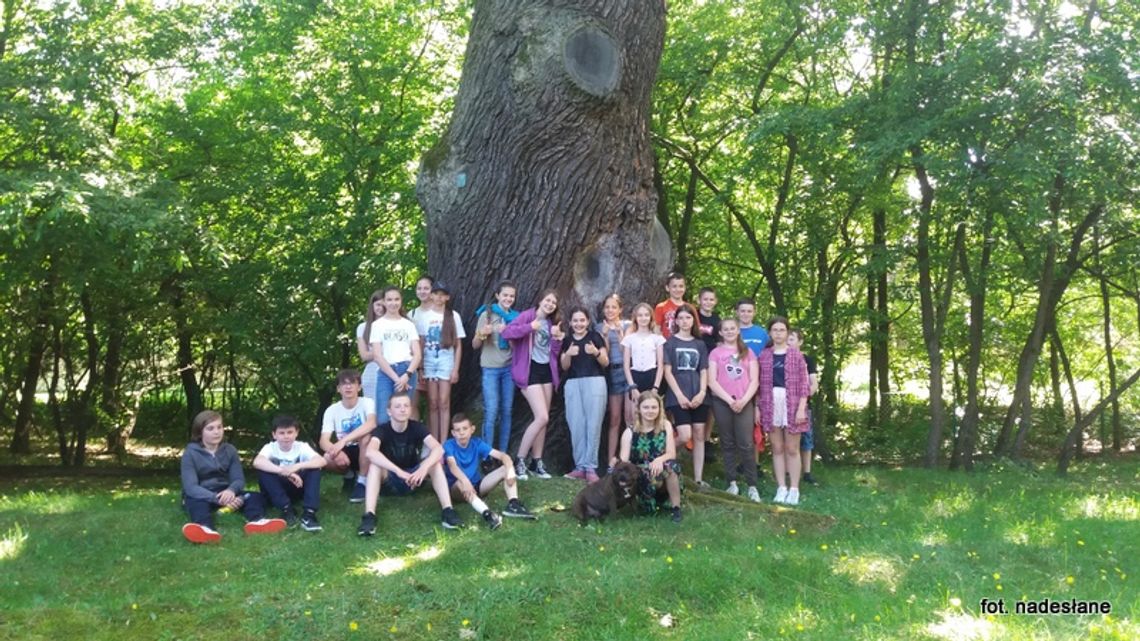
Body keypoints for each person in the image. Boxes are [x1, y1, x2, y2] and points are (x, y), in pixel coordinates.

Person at [357, 394, 462, 536]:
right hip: (391, 480)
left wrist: (423, 468)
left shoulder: (417, 427)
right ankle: (369, 516)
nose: (402, 410)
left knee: (435, 464)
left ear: (410, 409)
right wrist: (398, 471)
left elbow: (438, 449)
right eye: (398, 406)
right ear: (389, 411)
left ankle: (448, 511)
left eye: (406, 406)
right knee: (375, 466)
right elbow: (370, 452)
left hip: (414, 478)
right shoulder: (382, 430)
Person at [180, 410, 286, 544]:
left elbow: (239, 479)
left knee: (254, 496)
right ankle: (205, 529)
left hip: (226, 491)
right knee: (195, 502)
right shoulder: (190, 453)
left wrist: (231, 492)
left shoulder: (230, 450)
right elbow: (191, 487)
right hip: (203, 493)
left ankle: (257, 521)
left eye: (219, 427)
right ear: (200, 432)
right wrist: (216, 499)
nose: (217, 432)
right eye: (210, 428)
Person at [500, 289, 564, 480]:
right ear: (541, 300)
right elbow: (507, 333)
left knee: (543, 421)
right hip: (529, 371)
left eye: (553, 302)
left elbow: (553, 353)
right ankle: (519, 460)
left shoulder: (552, 323)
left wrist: (557, 339)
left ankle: (537, 462)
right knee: (542, 417)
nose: (550, 304)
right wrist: (530, 327)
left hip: (546, 372)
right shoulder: (527, 316)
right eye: (547, 300)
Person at [443, 413, 538, 529]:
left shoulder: (477, 443)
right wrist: (464, 481)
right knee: (461, 483)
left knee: (505, 469)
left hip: (477, 486)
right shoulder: (449, 445)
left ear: (472, 429)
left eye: (465, 428)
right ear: (453, 433)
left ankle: (514, 504)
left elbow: (503, 456)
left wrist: (510, 470)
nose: (461, 433)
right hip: (456, 488)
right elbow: (452, 466)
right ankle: (488, 514)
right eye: (457, 430)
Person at [757, 316, 810, 505]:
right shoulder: (764, 355)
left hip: (793, 404)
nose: (778, 333)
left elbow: (805, 384)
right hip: (770, 403)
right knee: (777, 448)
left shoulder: (796, 355)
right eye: (775, 330)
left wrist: (801, 408)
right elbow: (758, 383)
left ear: (787, 332)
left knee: (792, 448)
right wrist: (758, 407)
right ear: (770, 333)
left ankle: (794, 488)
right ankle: (781, 487)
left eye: (782, 330)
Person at [707, 318, 761, 502]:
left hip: (744, 402)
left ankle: (752, 485)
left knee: (746, 443)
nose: (729, 331)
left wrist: (744, 400)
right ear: (720, 332)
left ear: (738, 331)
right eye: (725, 329)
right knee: (727, 442)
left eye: (733, 328)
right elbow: (712, 381)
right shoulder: (715, 353)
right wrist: (729, 400)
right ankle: (732, 482)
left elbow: (754, 380)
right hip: (722, 402)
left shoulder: (748, 352)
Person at [662, 304, 710, 487]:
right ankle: (660, 457)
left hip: (698, 393)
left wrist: (702, 392)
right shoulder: (670, 343)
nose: (684, 321)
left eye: (688, 318)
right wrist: (679, 395)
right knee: (684, 435)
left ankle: (698, 479)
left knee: (699, 435)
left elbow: (704, 370)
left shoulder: (700, 344)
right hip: (677, 395)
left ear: (693, 320)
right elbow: (667, 372)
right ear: (676, 321)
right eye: (680, 318)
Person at [253, 414, 327, 531]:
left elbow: (322, 461)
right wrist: (285, 472)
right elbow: (257, 462)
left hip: (298, 486)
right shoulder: (270, 447)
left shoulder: (302, 446)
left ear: (296, 433)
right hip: (276, 490)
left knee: (314, 469)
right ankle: (287, 510)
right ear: (274, 435)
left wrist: (298, 466)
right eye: (281, 433)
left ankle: (309, 514)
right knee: (264, 471)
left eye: (290, 432)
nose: (286, 436)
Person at [561, 306, 609, 483]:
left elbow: (605, 361)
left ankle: (591, 467)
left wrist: (595, 352)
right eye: (575, 321)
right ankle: (579, 466)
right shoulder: (567, 340)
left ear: (588, 321)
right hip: (573, 384)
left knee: (593, 424)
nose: (579, 324)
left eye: (582, 320)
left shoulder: (595, 337)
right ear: (570, 323)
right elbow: (564, 366)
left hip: (595, 382)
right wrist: (568, 354)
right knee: (576, 424)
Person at [619, 391, 682, 523]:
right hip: (640, 473)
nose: (650, 411)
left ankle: (676, 508)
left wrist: (659, 460)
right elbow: (624, 463)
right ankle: (647, 504)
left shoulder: (666, 425)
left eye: (654, 407)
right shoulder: (629, 433)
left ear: (660, 409)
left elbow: (671, 453)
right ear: (639, 409)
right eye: (646, 407)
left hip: (661, 467)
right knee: (650, 475)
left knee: (671, 466)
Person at [416, 281, 465, 444]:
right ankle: (433, 441)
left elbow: (458, 345)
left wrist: (455, 369)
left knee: (444, 402)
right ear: (432, 295)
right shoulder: (424, 317)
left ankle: (444, 442)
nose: (439, 297)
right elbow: (421, 343)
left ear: (447, 297)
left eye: (442, 294)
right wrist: (420, 368)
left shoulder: (453, 316)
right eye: (436, 294)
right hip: (429, 362)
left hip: (446, 361)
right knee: (432, 402)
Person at [473, 280, 519, 453]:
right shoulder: (487, 315)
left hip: (509, 369)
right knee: (491, 411)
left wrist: (509, 334)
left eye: (511, 296)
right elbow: (475, 345)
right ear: (497, 296)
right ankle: (487, 454)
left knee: (506, 411)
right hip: (490, 369)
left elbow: (518, 348)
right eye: (505, 295)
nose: (508, 298)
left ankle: (503, 453)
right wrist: (483, 333)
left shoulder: (515, 318)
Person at [319, 368, 377, 503]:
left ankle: (362, 482)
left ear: (359, 387)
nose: (348, 386)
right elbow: (323, 440)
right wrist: (336, 451)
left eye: (352, 383)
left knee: (366, 437)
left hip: (365, 450)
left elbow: (371, 424)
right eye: (344, 384)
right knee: (326, 458)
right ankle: (349, 475)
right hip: (345, 452)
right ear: (338, 389)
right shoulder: (332, 410)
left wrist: (343, 441)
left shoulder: (367, 402)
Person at [369, 286, 421, 426]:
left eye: (396, 299)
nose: (393, 303)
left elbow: (417, 354)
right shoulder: (377, 325)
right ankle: (384, 448)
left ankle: (406, 448)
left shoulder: (408, 325)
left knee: (403, 416)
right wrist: (396, 379)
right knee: (383, 417)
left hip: (407, 370)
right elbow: (377, 355)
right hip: (386, 373)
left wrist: (407, 375)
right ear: (384, 302)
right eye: (389, 300)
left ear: (401, 301)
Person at [597, 293, 631, 470]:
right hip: (612, 373)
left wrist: (620, 334)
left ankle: (628, 461)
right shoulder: (599, 327)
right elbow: (605, 356)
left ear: (620, 309)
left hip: (629, 372)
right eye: (607, 307)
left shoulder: (628, 325)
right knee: (614, 419)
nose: (610, 310)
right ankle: (611, 462)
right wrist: (604, 337)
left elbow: (628, 350)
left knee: (630, 418)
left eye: (614, 307)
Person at [788, 328, 820, 485]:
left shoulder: (808, 360)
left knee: (806, 440)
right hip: (785, 406)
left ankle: (807, 473)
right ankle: (789, 471)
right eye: (787, 338)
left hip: (803, 406)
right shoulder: (779, 358)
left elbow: (813, 384)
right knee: (787, 440)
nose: (788, 342)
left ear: (800, 342)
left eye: (792, 339)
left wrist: (803, 399)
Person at [621, 302, 665, 415]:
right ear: (635, 318)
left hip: (651, 376)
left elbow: (660, 365)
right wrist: (632, 387)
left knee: (652, 413)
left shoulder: (657, 338)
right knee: (635, 414)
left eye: (646, 315)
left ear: (651, 317)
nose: (643, 318)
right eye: (640, 315)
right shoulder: (629, 339)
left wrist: (656, 387)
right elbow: (626, 365)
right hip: (635, 377)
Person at [409, 274, 435, 421]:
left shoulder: (439, 313)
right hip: (416, 365)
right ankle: (415, 442)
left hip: (435, 364)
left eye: (426, 288)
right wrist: (418, 368)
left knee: (434, 404)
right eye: (419, 288)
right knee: (413, 403)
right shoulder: (411, 314)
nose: (422, 291)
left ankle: (433, 441)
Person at [356, 291, 384, 402]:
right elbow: (364, 355)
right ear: (372, 306)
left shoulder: (394, 326)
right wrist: (385, 352)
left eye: (383, 305)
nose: (380, 308)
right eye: (378, 305)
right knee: (372, 411)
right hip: (371, 374)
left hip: (391, 373)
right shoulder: (363, 327)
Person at [654, 272, 687, 339]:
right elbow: (656, 329)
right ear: (667, 288)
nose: (678, 289)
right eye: (674, 286)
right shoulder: (661, 307)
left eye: (681, 286)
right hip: (667, 345)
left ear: (685, 288)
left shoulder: (690, 308)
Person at [696, 287, 721, 353]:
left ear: (715, 301)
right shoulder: (693, 316)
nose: (708, 302)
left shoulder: (717, 319)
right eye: (705, 299)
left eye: (711, 300)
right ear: (699, 300)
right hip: (695, 352)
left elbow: (718, 341)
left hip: (710, 354)